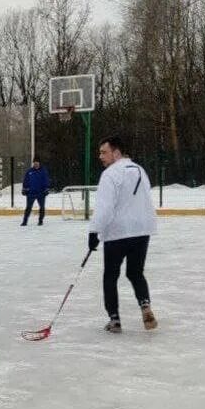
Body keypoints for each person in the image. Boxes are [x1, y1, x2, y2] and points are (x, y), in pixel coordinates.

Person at [88, 135, 158, 333]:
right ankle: (145, 305)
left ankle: (114, 319)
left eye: (104, 152)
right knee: (135, 272)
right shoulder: (140, 170)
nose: (100, 156)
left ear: (116, 153)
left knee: (110, 275)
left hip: (117, 232)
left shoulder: (110, 174)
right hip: (142, 230)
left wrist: (94, 231)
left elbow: (104, 208)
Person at [21, 156, 50, 226]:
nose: (36, 164)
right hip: (31, 193)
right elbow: (25, 181)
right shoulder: (29, 171)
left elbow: (46, 181)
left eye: (37, 163)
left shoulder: (43, 171)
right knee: (28, 208)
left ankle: (40, 221)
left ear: (39, 163)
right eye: (35, 163)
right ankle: (25, 221)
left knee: (42, 207)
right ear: (33, 163)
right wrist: (24, 189)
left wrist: (46, 189)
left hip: (41, 193)